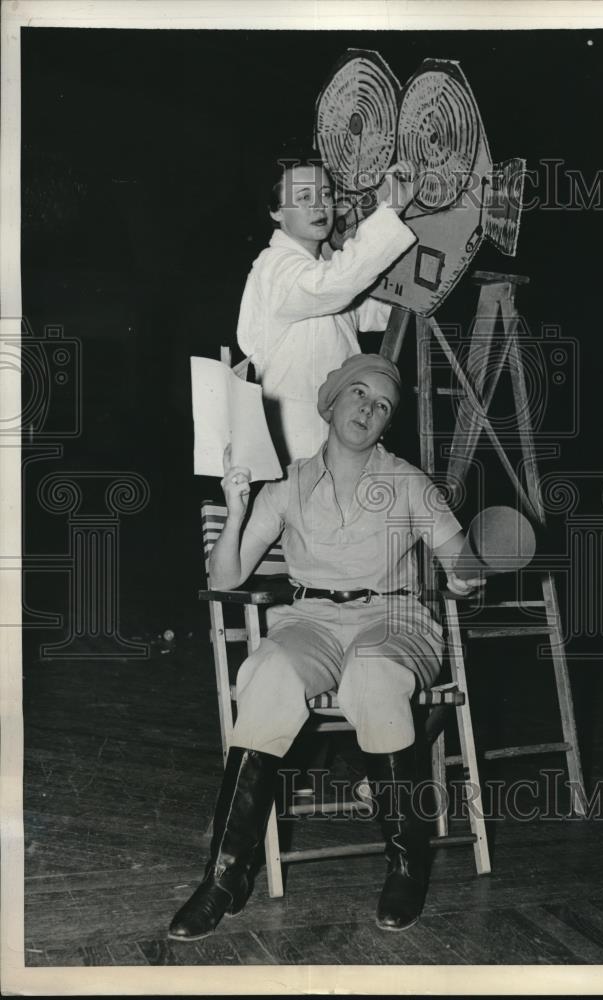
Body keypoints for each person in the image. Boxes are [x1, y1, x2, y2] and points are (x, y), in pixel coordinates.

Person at [168, 354, 484, 941]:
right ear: (331, 402)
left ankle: (406, 866)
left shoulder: (410, 482)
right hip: (309, 618)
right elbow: (226, 579)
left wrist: (467, 575)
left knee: (373, 676)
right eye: (358, 393)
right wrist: (237, 510)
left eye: (382, 404)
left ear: (387, 423)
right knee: (268, 677)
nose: (368, 407)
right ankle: (226, 875)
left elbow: (461, 557)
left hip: (393, 619)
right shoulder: (287, 485)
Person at [235, 150, 418, 464]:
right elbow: (337, 284)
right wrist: (390, 210)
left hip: (335, 436)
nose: (319, 205)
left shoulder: (323, 266)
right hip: (295, 441)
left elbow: (375, 312)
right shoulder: (275, 268)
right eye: (304, 196)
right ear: (276, 211)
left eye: (325, 194)